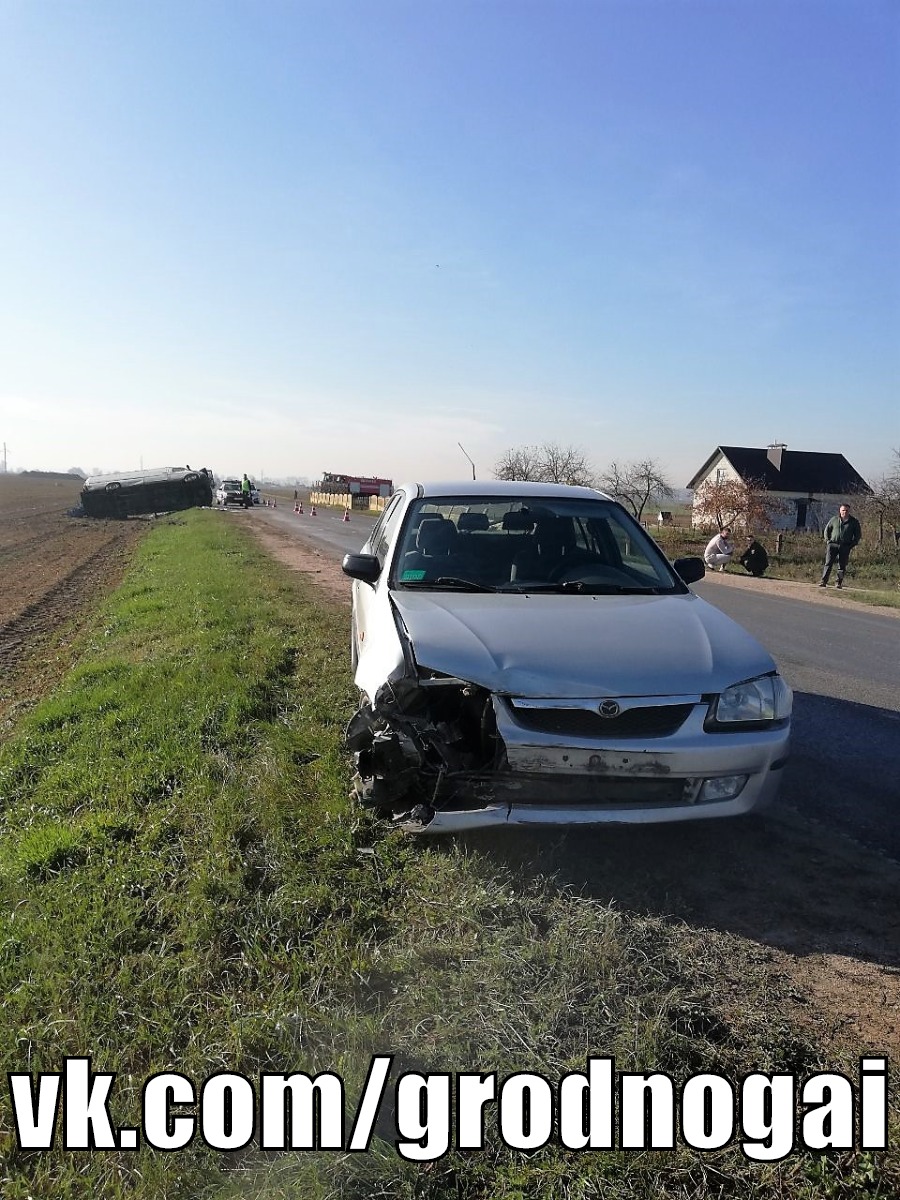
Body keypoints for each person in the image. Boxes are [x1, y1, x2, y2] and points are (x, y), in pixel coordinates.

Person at [819, 502, 861, 589]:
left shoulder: (854, 522)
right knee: (828, 563)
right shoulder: (834, 519)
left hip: (845, 546)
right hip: (833, 545)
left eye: (846, 510)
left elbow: (857, 535)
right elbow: (827, 530)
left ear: (849, 511)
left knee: (842, 565)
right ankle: (823, 581)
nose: (844, 512)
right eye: (843, 510)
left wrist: (851, 544)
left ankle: (838, 583)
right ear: (840, 511)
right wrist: (828, 541)